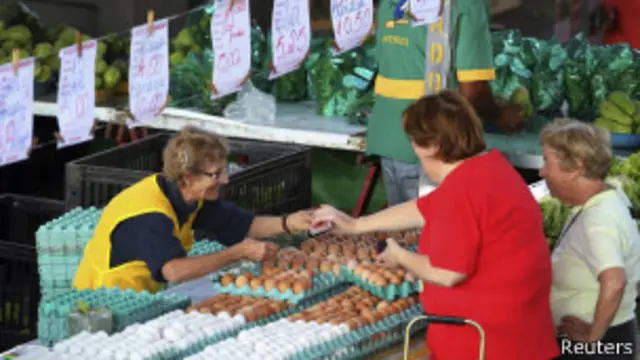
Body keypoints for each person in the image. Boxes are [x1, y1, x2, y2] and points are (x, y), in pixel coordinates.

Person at [312, 90, 559, 360]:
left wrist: (400, 256)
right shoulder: (490, 168)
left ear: (432, 146)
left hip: (485, 343)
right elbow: (425, 208)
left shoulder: (462, 191)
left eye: (414, 141)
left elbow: (447, 273)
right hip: (522, 335)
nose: (413, 150)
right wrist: (356, 225)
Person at [73, 126, 312, 293]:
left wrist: (289, 222)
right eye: (216, 174)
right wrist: (235, 253)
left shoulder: (188, 195)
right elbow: (174, 271)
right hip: (103, 303)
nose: (226, 180)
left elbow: (239, 223)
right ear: (187, 178)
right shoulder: (151, 215)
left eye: (224, 170)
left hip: (141, 295)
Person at [368, 0, 525, 206]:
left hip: (389, 137)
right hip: (434, 145)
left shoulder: (390, 3)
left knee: (404, 233)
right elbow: (473, 89)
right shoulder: (467, 5)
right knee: (433, 233)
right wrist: (499, 113)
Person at [538, 119, 640, 359]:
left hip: (596, 347)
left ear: (575, 168)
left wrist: (592, 337)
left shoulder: (598, 220)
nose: (542, 172)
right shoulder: (608, 198)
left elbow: (614, 281)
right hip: (611, 339)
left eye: (547, 161)